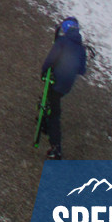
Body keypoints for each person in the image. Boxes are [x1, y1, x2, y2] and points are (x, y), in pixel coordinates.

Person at [39, 18, 87, 160]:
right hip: (67, 85)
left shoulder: (61, 42)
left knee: (54, 112)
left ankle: (56, 147)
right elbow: (81, 70)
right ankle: (44, 121)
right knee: (53, 99)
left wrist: (44, 71)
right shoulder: (81, 48)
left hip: (55, 80)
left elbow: (50, 60)